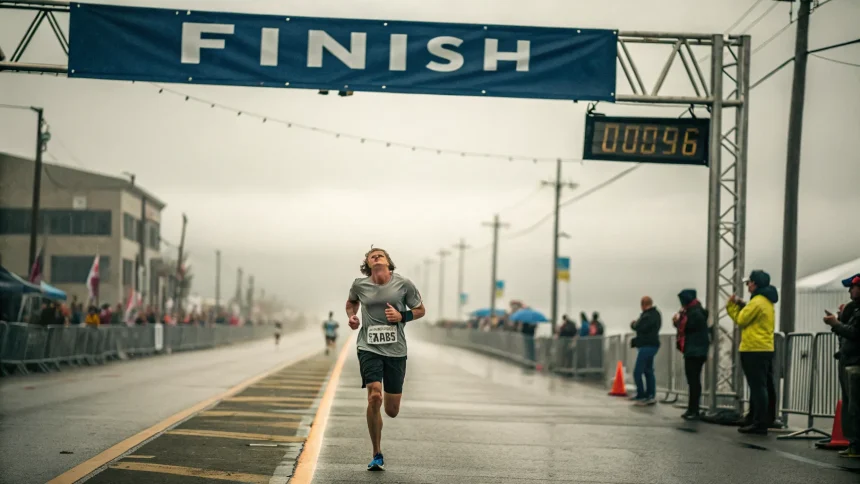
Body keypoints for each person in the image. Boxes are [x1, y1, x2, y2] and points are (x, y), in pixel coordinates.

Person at [346, 247, 425, 471]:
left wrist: (402, 316)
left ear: (388, 262)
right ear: (368, 264)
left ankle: (383, 413)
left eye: (381, 255)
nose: (376, 257)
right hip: (368, 347)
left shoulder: (403, 284)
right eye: (372, 256)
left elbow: (420, 310)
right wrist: (352, 316)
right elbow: (351, 302)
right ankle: (377, 453)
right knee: (374, 396)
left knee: (391, 410)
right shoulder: (359, 285)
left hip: (396, 351)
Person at [727, 269, 778, 434]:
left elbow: (741, 319)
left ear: (755, 284)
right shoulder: (766, 301)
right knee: (764, 385)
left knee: (757, 387)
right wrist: (744, 304)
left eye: (749, 282)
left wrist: (731, 306)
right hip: (765, 347)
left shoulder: (757, 301)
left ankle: (759, 422)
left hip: (753, 348)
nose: (747, 285)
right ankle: (761, 417)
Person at [824, 273, 860, 458]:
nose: (849, 291)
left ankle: (856, 444)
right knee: (850, 404)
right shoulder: (854, 310)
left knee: (855, 406)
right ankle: (853, 443)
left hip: (856, 362)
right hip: (849, 360)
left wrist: (836, 323)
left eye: (852, 287)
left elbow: (854, 333)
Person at [673, 289, 710, 419]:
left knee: (693, 381)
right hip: (694, 349)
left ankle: (694, 409)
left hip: (695, 350)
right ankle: (692, 409)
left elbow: (688, 327)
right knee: (693, 381)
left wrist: (678, 321)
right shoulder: (694, 311)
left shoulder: (695, 313)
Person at [630, 296, 661, 406]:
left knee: (637, 371)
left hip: (647, 346)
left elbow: (639, 326)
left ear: (643, 304)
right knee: (648, 370)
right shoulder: (655, 314)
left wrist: (633, 324)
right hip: (652, 345)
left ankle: (642, 394)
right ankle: (649, 395)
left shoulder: (648, 316)